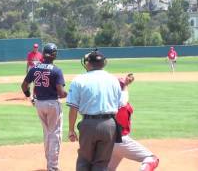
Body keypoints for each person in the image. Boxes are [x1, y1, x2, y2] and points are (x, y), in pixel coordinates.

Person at [67, 50, 122, 171]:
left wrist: (71, 129)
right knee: (102, 163)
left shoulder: (79, 80)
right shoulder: (114, 80)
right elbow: (120, 105)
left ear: (88, 64)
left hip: (88, 124)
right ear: (104, 63)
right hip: (109, 124)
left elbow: (73, 108)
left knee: (84, 160)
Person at [21, 43, 67, 171]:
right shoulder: (56, 70)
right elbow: (61, 93)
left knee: (47, 133)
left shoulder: (35, 68)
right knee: (55, 134)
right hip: (52, 104)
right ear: (54, 55)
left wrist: (29, 96)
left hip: (39, 104)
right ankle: (53, 167)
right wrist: (70, 94)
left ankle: (49, 162)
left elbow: (24, 86)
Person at [108, 73, 159, 171]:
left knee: (109, 168)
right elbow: (124, 97)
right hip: (121, 141)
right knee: (152, 159)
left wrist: (125, 84)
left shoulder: (106, 102)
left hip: (107, 141)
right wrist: (125, 84)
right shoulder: (122, 103)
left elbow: (123, 94)